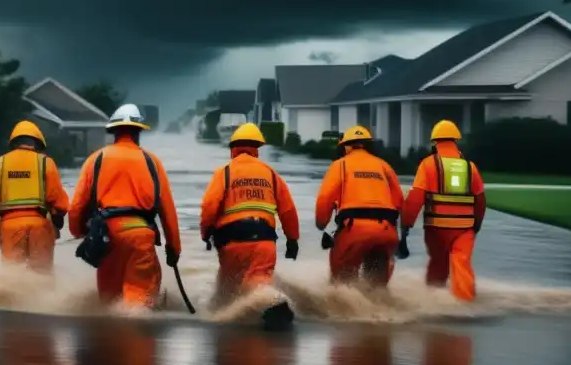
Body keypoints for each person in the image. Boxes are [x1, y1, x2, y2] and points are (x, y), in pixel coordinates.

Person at [68, 103, 181, 308]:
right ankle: (134, 335)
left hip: (106, 237)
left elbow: (77, 206)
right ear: (138, 132)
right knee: (138, 302)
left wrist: (78, 231)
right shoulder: (152, 162)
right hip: (140, 237)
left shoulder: (95, 160)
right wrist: (173, 248)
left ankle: (112, 337)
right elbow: (167, 210)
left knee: (108, 303)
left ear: (113, 131)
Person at [199, 122, 300, 303]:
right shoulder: (271, 174)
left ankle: (221, 315)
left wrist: (205, 234)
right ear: (257, 150)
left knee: (229, 284)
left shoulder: (224, 173)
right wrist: (292, 240)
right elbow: (288, 210)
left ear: (233, 150)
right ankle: (270, 303)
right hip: (264, 240)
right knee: (259, 277)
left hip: (231, 242)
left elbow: (209, 205)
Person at [401, 119, 485, 302]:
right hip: (464, 229)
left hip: (437, 228)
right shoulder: (470, 167)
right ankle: (465, 303)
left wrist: (406, 224)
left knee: (438, 264)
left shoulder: (428, 164)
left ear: (435, 142)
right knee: (461, 263)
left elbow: (416, 198)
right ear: (456, 141)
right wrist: (476, 225)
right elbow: (480, 199)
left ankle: (435, 301)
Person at [314, 125, 404, 286]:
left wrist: (321, 224)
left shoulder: (340, 165)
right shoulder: (384, 166)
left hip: (353, 230)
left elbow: (324, 198)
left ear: (345, 146)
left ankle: (348, 306)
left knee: (342, 283)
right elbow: (399, 202)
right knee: (377, 285)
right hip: (386, 232)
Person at [0, 120, 70, 272]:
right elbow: (57, 199)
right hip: (39, 226)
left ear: (13, 143)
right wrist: (57, 220)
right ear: (37, 143)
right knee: (42, 275)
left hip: (9, 227)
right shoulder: (46, 162)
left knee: (13, 277)